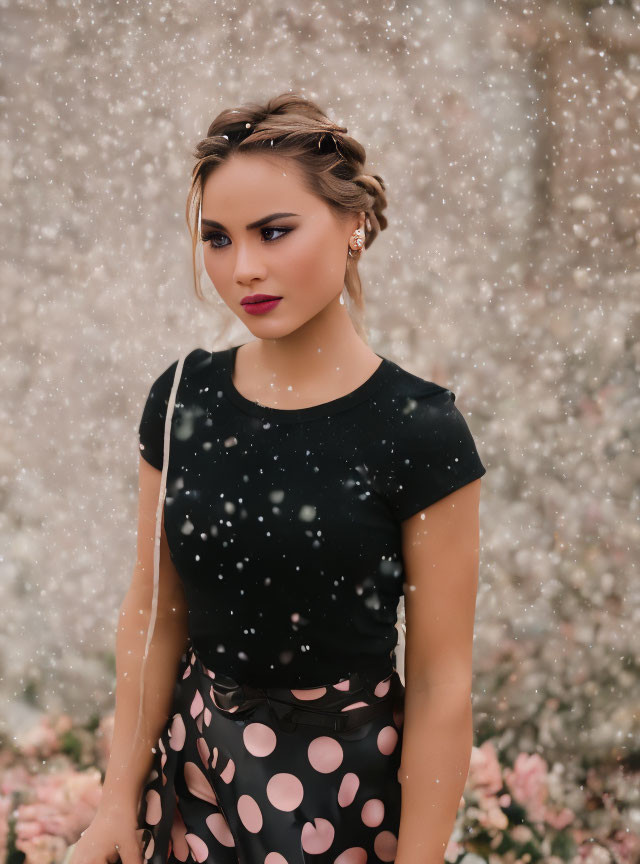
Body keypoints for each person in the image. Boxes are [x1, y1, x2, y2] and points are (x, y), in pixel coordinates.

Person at [71, 92, 486, 864]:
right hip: (194, 789)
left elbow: (440, 683)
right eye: (218, 239)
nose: (244, 268)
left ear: (352, 224)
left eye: (273, 231)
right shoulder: (181, 398)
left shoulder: (418, 429)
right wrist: (115, 802)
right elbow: (154, 611)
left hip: (345, 802)